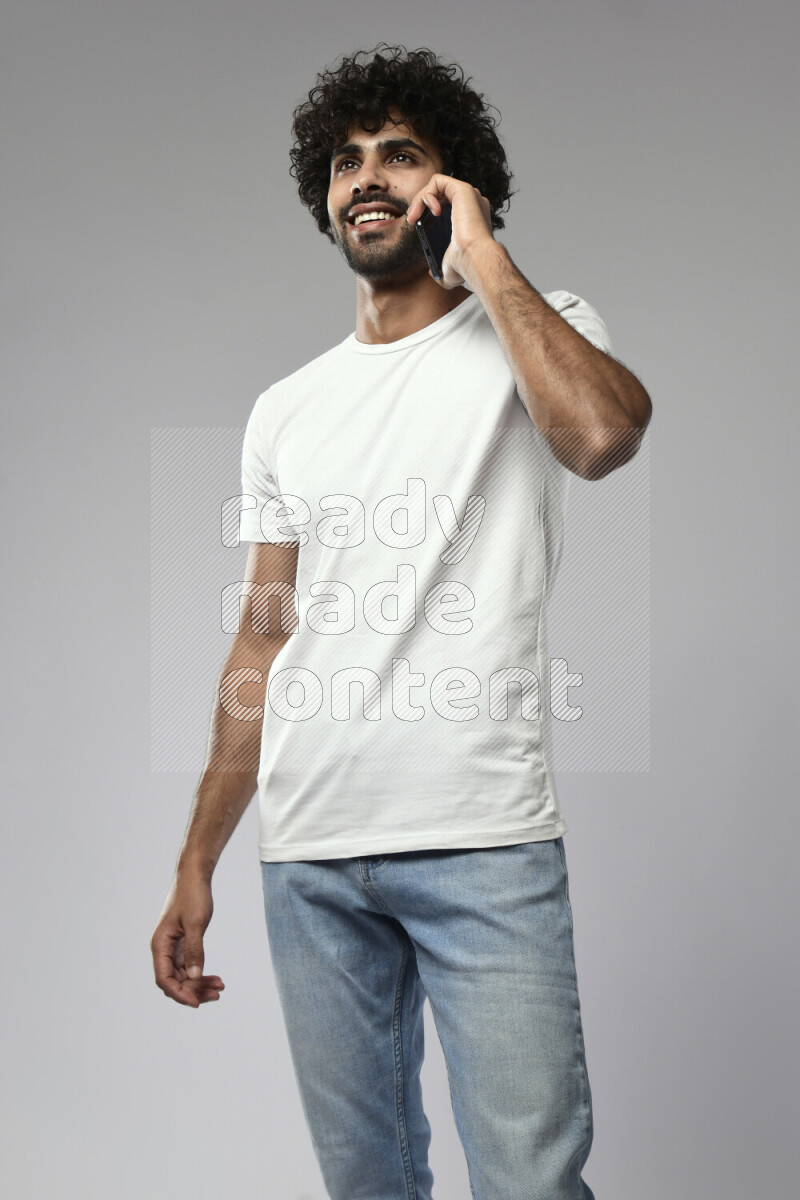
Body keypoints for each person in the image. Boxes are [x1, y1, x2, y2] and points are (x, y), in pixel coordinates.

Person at [151, 43, 651, 1200]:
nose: (365, 177)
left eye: (400, 156)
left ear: (449, 182)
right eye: (345, 161)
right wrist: (195, 862)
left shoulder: (539, 324)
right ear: (322, 197)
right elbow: (261, 642)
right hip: (311, 856)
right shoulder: (287, 409)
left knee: (529, 1183)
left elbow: (601, 437)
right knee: (367, 1188)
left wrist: (480, 257)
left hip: (481, 837)